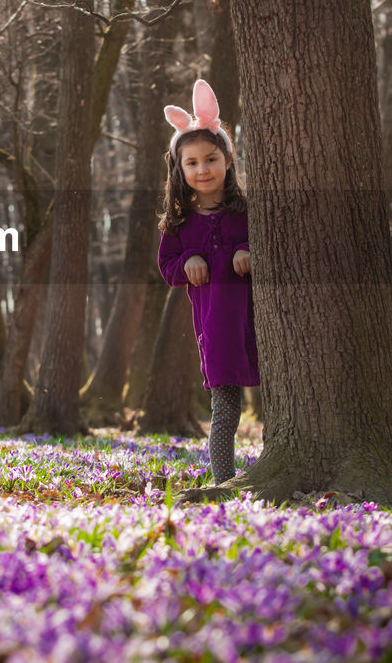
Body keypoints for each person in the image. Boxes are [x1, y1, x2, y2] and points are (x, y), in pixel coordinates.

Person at [157, 79, 260, 484]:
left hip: (260, 323)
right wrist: (188, 260)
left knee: (283, 401)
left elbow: (273, 249)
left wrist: (249, 250)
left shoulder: (247, 210)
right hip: (217, 329)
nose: (203, 169)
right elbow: (167, 268)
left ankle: (281, 459)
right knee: (226, 407)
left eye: (211, 159)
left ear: (228, 160)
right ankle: (224, 480)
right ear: (180, 170)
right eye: (193, 163)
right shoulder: (178, 222)